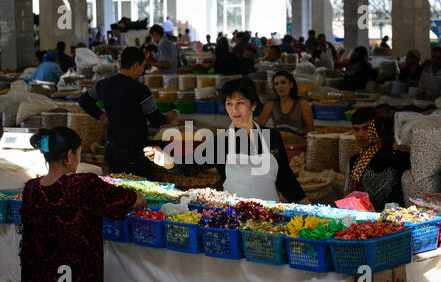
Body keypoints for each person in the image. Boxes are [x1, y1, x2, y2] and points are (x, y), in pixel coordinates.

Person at [19, 127, 146, 282]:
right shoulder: (82, 185)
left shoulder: (31, 188)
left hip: (39, 281)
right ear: (70, 155)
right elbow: (134, 200)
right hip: (74, 280)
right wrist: (140, 197)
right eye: (79, 153)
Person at [144, 78, 311, 204]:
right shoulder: (221, 142)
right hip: (236, 217)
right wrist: (165, 160)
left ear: (253, 105)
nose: (234, 109)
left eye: (240, 103)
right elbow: (188, 167)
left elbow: (285, 179)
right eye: (229, 103)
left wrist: (310, 209)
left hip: (272, 215)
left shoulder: (272, 136)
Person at [79, 47, 176, 178]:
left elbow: (84, 100)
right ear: (136, 66)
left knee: (117, 185)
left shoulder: (105, 84)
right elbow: (156, 119)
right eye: (143, 66)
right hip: (134, 149)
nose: (143, 71)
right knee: (140, 187)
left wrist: (103, 117)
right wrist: (168, 117)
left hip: (112, 146)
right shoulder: (141, 90)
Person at [345, 114, 410, 211]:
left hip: (363, 218)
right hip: (394, 218)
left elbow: (348, 194)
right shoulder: (403, 157)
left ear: (372, 135)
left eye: (366, 129)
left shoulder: (357, 161)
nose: (360, 134)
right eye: (356, 130)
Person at [258, 71, 314, 135]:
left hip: (298, 142)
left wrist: (296, 133)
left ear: (291, 85)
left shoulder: (303, 103)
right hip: (278, 143)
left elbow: (311, 129)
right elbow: (259, 125)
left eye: (283, 82)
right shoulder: (271, 104)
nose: (280, 86)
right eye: (276, 84)